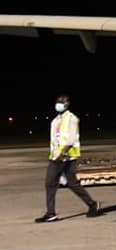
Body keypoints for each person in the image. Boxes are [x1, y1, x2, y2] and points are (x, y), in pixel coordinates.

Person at [35, 95, 101, 223]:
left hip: (66, 156)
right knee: (71, 183)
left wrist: (61, 154)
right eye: (58, 101)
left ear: (67, 104)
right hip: (58, 156)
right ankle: (92, 204)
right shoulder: (55, 121)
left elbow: (70, 139)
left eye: (62, 102)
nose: (58, 104)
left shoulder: (72, 118)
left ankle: (51, 213)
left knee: (50, 183)